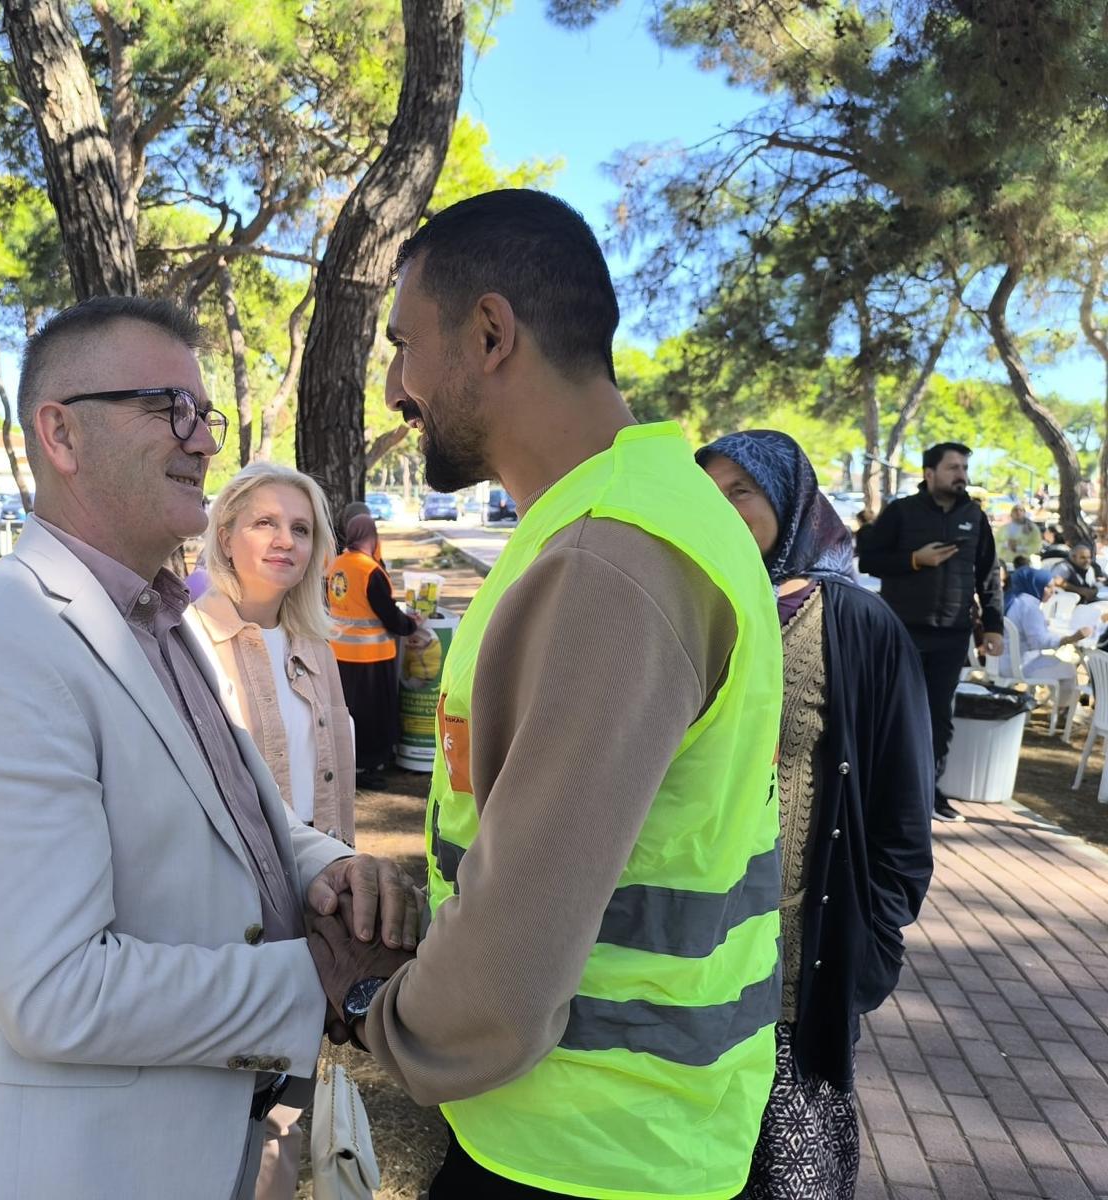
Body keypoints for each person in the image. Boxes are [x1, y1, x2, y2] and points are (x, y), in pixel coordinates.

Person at [303, 189, 785, 1200]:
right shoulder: (639, 513)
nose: (392, 387)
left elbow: (513, 963)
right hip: (629, 1132)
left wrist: (367, 1000)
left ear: (489, 334)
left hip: (585, 1149)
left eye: (403, 345)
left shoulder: (610, 556)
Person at [0, 295, 418, 1200]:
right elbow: (57, 991)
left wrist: (328, 869)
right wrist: (319, 979)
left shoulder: (156, 620)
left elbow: (235, 820)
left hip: (224, 1132)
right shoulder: (0, 649)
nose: (204, 441)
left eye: (204, 413)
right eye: (168, 408)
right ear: (61, 434)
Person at [698, 430, 935, 1198]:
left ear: (789, 500)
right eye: (708, 491)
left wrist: (878, 928)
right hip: (690, 957)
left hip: (795, 965)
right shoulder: (694, 605)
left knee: (787, 1171)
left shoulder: (856, 623)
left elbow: (903, 799)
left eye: (742, 490)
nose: (722, 507)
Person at [190, 460, 358, 1200]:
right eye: (265, 522)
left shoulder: (315, 644)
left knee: (286, 1110)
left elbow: (333, 787)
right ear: (226, 533)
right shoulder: (186, 639)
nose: (285, 540)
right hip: (229, 918)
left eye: (301, 528)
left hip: (312, 908)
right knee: (222, 1107)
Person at [857, 442, 1002, 823]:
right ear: (929, 473)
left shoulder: (974, 516)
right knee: (892, 710)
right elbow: (869, 560)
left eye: (964, 468)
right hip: (902, 631)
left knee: (939, 716)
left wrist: (993, 626)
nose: (961, 475)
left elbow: (989, 575)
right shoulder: (902, 512)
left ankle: (927, 793)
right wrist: (913, 560)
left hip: (952, 634)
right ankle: (881, 791)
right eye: (953, 467)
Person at [326, 513, 425, 777]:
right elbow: (388, 613)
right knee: (372, 714)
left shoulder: (336, 565)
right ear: (372, 536)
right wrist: (410, 624)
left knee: (348, 712)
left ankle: (351, 761)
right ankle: (370, 764)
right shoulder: (369, 571)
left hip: (339, 654)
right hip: (371, 657)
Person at [1006, 565, 1094, 684]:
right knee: (1069, 670)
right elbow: (1039, 642)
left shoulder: (1013, 600)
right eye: (1047, 587)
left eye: (1053, 587)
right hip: (1020, 666)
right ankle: (1065, 698)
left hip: (1001, 662)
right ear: (1035, 585)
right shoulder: (1030, 608)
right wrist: (1072, 638)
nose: (1052, 591)